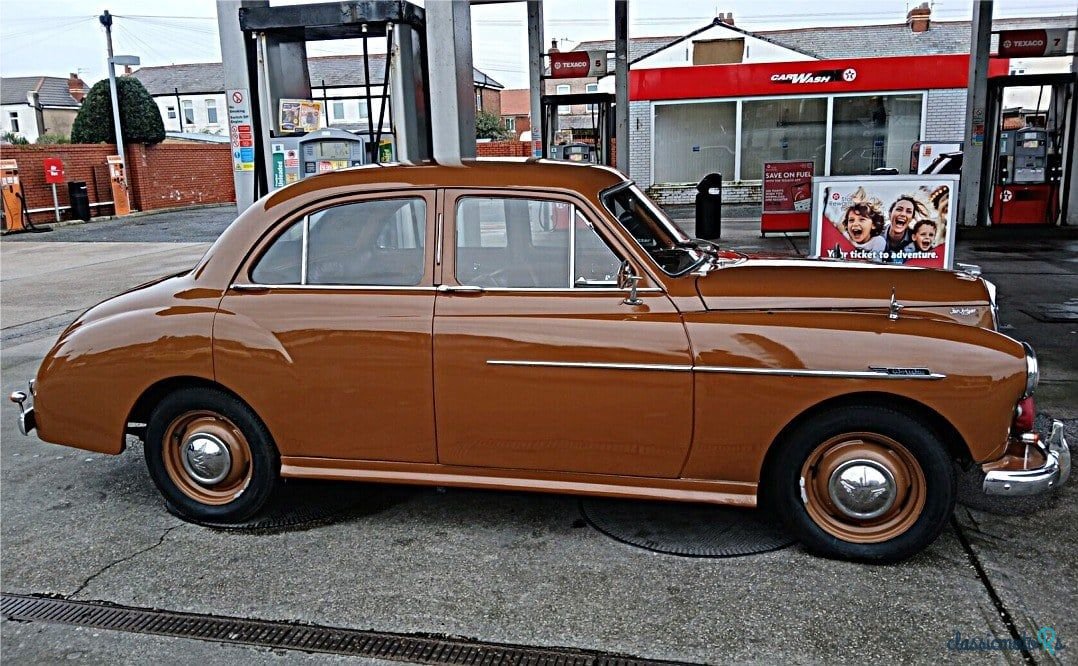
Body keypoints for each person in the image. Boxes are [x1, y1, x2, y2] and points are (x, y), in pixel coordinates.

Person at [882, 195, 927, 259]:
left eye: (908, 211)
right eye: (899, 209)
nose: (903, 214)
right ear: (890, 214)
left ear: (911, 218)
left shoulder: (915, 240)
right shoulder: (876, 234)